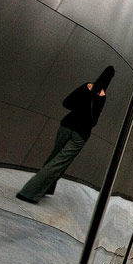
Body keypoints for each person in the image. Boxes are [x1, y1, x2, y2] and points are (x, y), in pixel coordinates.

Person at [16, 66, 115, 204]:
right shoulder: (102, 97)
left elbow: (66, 103)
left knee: (54, 157)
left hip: (66, 126)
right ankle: (28, 193)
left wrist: (79, 107)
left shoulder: (86, 86)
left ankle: (45, 189)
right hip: (81, 134)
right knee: (59, 163)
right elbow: (94, 121)